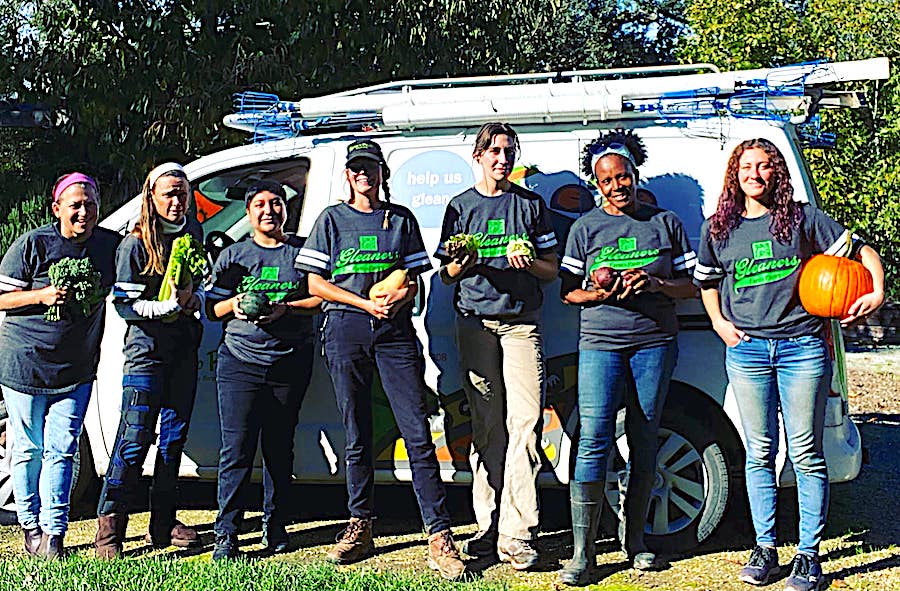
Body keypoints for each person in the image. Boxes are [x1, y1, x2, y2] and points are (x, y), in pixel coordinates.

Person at [694, 138, 884, 591]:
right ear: (733, 174)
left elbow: (861, 251)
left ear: (776, 172)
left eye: (763, 167)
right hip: (748, 352)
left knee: (805, 454)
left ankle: (808, 555)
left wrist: (876, 290)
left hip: (802, 349)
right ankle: (765, 547)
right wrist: (719, 322)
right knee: (758, 453)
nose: (754, 175)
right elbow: (706, 281)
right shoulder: (718, 228)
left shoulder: (800, 218)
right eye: (745, 167)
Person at [295, 140, 465, 580]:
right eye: (356, 169)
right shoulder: (332, 219)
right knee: (357, 431)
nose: (363, 175)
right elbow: (315, 284)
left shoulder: (401, 219)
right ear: (348, 175)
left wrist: (398, 296)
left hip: (393, 332)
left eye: (370, 167)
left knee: (416, 430)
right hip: (346, 328)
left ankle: (439, 534)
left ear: (381, 173)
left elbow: (412, 278)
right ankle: (360, 524)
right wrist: (362, 303)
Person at [557, 130, 697, 584]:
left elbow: (692, 284)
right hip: (601, 343)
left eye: (624, 177)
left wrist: (653, 284)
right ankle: (584, 554)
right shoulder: (585, 229)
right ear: (597, 186)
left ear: (635, 176)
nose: (618, 186)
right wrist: (599, 292)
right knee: (594, 438)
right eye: (608, 181)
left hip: (654, 342)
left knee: (644, 435)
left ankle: (635, 541)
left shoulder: (665, 223)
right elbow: (568, 294)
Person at [435, 122, 559, 570]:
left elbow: (551, 268)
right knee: (488, 428)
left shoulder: (530, 205)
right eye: (494, 151)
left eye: (509, 151)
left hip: (522, 324)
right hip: (476, 325)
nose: (502, 158)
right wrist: (461, 264)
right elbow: (447, 273)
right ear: (478, 155)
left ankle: (518, 532)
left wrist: (529, 264)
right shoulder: (460, 207)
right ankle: (487, 526)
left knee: (526, 424)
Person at [0, 173, 119, 558]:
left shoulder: (109, 247)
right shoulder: (34, 245)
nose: (84, 212)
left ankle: (54, 534)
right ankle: (30, 527)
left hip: (76, 369)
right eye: (76, 205)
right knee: (28, 449)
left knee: (63, 449)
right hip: (24, 365)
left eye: (90, 205)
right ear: (57, 209)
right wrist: (41, 295)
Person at [205, 181, 321, 560]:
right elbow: (211, 308)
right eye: (259, 205)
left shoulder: (302, 252)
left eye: (275, 204)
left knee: (278, 449)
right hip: (240, 363)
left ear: (286, 209)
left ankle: (276, 527)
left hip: (289, 362)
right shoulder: (234, 256)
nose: (268, 211)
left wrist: (287, 309)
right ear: (249, 212)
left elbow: (321, 296)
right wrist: (235, 304)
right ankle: (228, 534)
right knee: (236, 450)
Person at [94, 163, 205, 558]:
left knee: (173, 441)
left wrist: (197, 300)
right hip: (146, 355)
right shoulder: (136, 244)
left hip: (183, 352)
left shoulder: (193, 231)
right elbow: (125, 304)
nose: (177, 201)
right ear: (152, 198)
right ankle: (110, 529)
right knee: (133, 441)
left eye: (182, 193)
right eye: (169, 194)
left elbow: (199, 280)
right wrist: (166, 308)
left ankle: (163, 522)